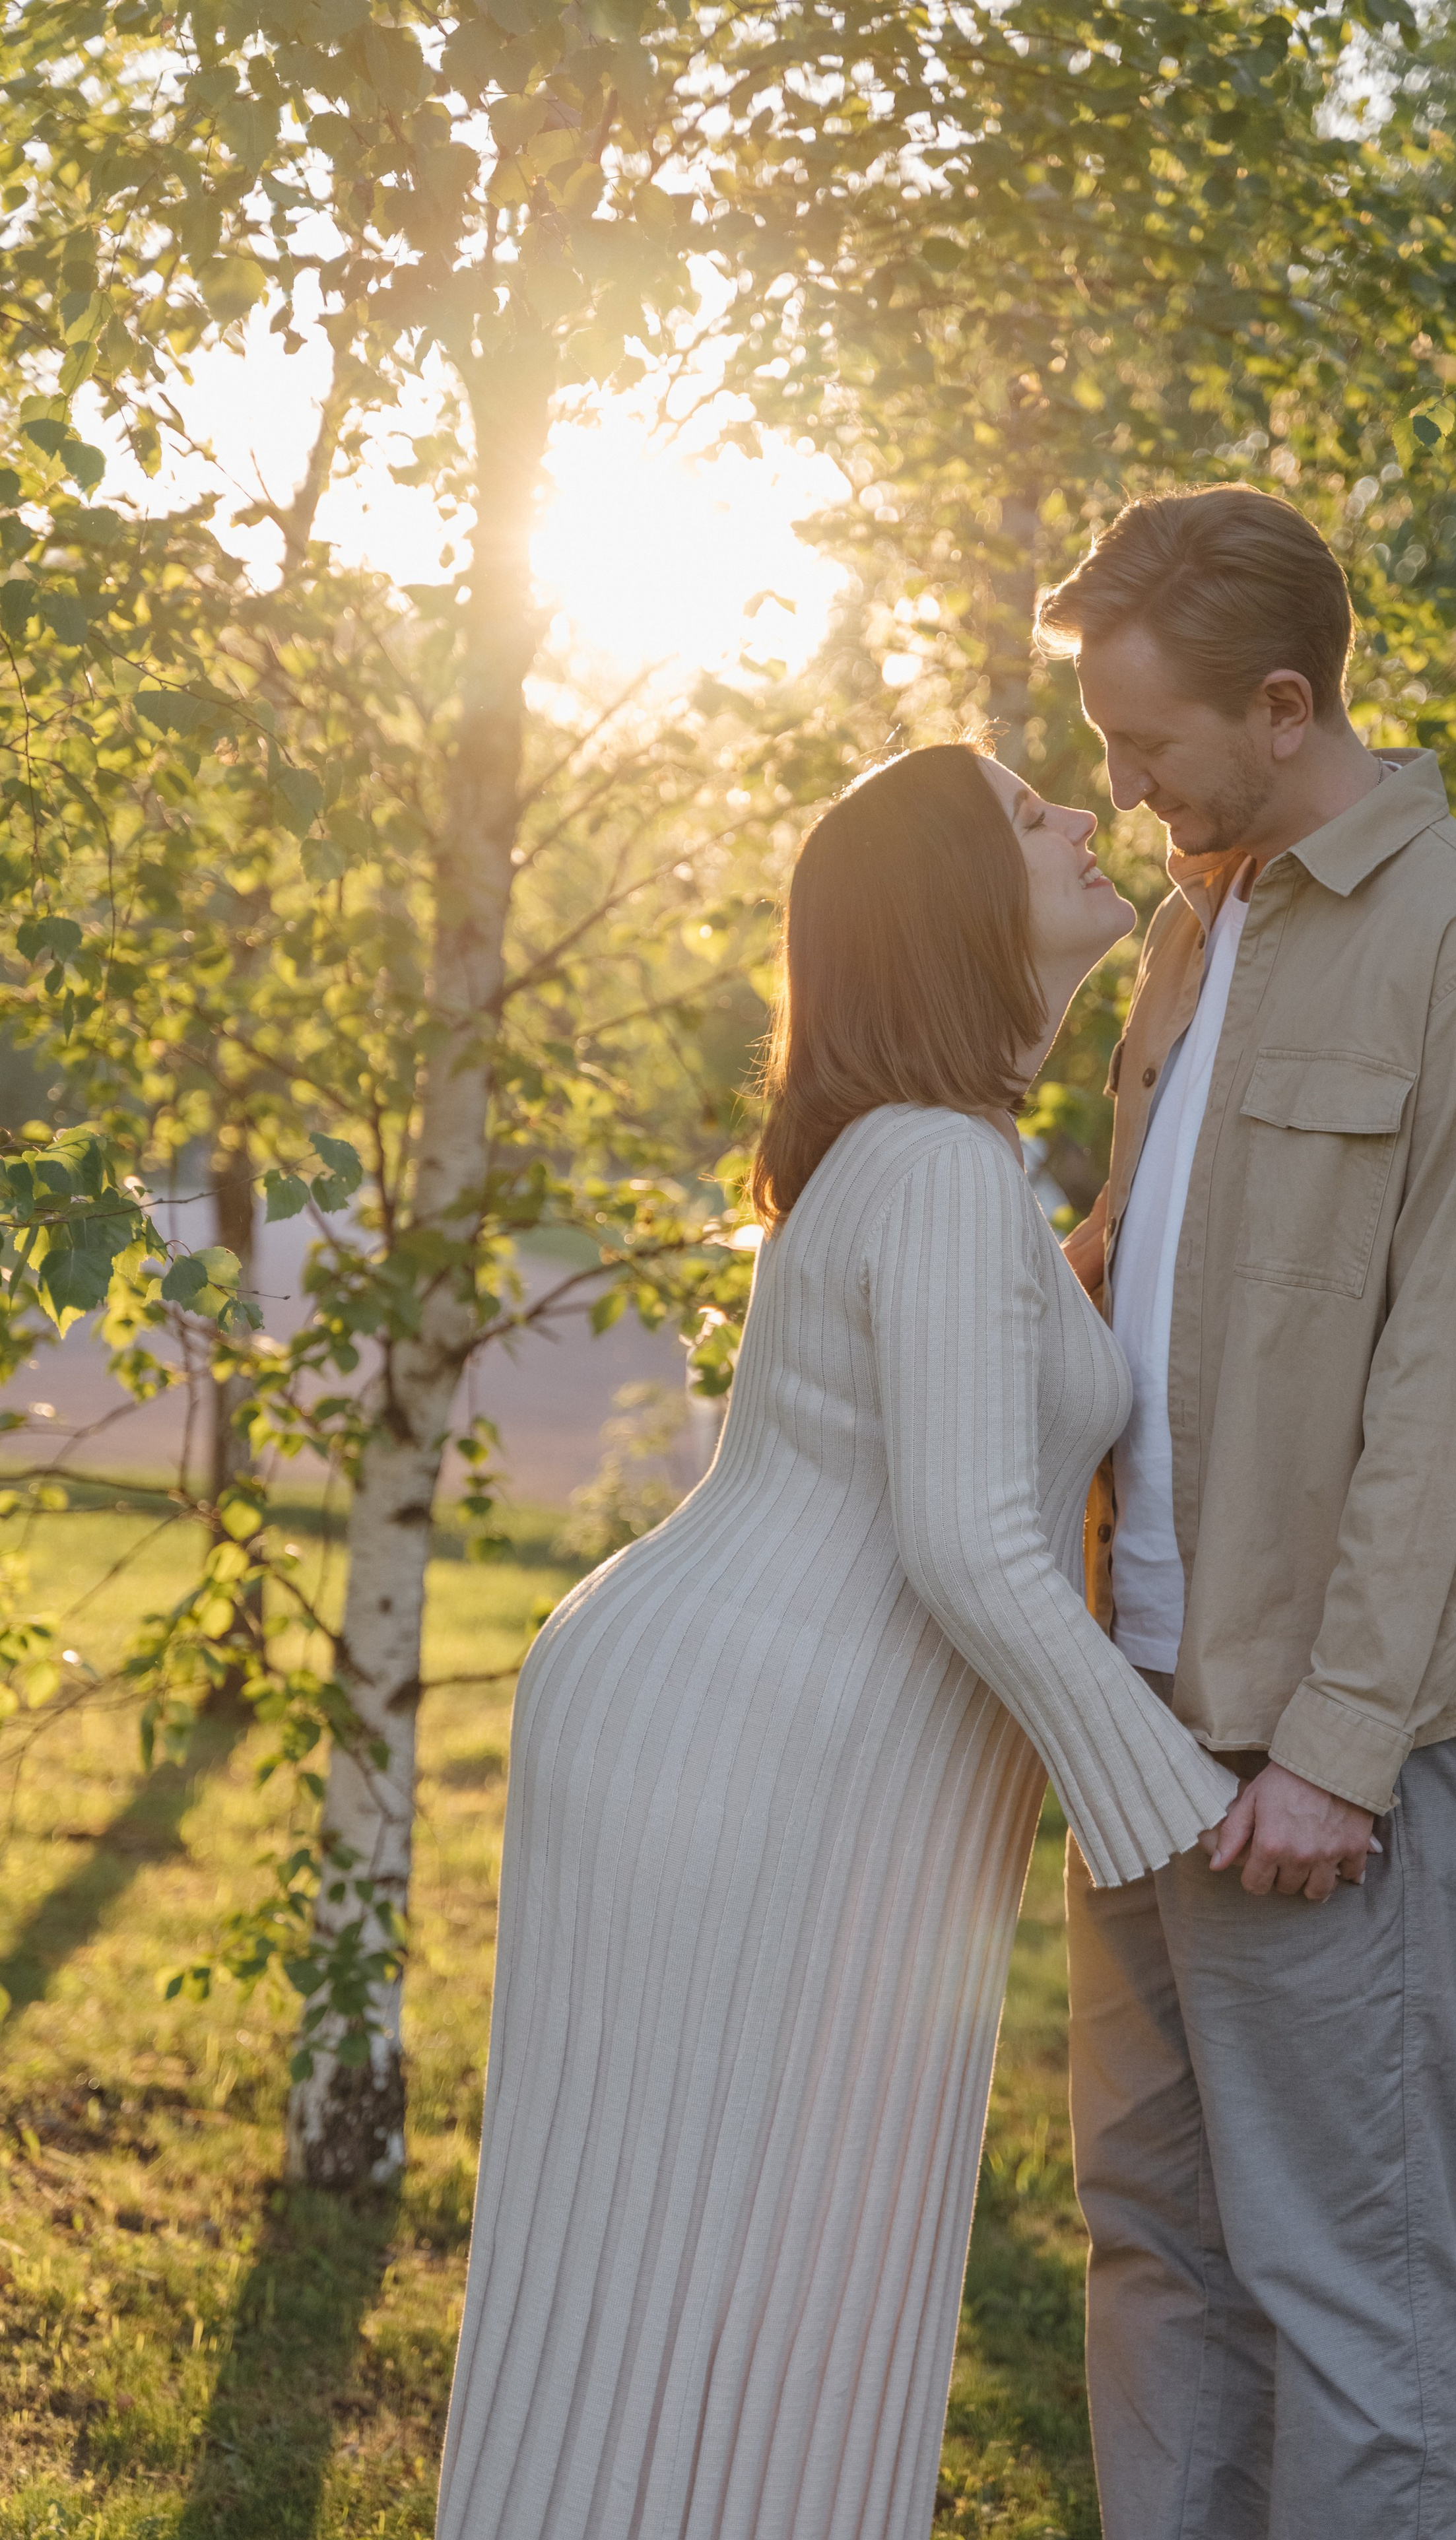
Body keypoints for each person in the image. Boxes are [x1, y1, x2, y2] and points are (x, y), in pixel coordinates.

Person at [434, 743, 1236, 2540]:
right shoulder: (940, 1170)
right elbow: (968, 1542)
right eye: (1033, 818)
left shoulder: (932, 1167)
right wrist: (1182, 1808)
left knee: (679, 2244)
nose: (1080, 821)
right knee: (748, 2246)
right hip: (759, 1759)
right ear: (955, 908)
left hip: (743, 1732)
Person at [1038, 485, 1456, 2540]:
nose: (1121, 788)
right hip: (1143, 1718)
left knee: (1346, 2295)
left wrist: (1342, 1752)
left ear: (1285, 707)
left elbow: (1454, 1400)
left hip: (1320, 1762)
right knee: (1156, 2253)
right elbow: (1161, 1274)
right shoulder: (1194, 933)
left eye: (1143, 745)